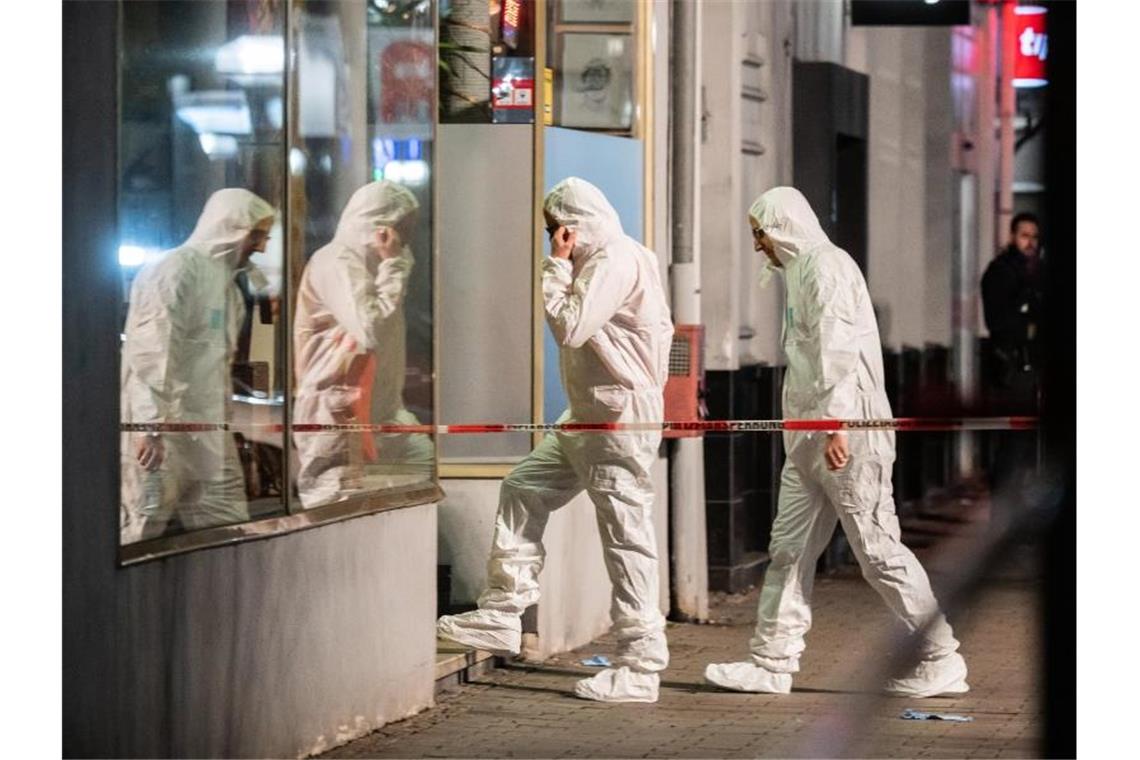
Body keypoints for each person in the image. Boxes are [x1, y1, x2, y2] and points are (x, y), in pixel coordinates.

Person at [703, 187, 968, 698]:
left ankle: (941, 655)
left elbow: (837, 350)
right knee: (789, 549)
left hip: (843, 436)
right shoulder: (802, 273)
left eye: (761, 233)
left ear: (784, 227)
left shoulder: (826, 267)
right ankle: (771, 662)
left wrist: (835, 424)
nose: (758, 244)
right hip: (810, 439)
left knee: (877, 551)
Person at [436, 177, 674, 703]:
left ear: (571, 226)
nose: (552, 237)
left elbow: (571, 326)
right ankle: (502, 613)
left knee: (627, 535)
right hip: (590, 415)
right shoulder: (620, 256)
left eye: (554, 229)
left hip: (613, 421)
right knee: (524, 487)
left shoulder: (613, 260)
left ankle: (640, 663)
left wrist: (555, 264)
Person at [120, 188, 276, 543]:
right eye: (256, 234)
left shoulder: (230, 289)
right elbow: (152, 353)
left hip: (206, 436)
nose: (262, 246)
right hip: (163, 437)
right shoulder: (175, 270)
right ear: (230, 226)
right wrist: (150, 428)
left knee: (227, 535)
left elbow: (214, 367)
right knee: (140, 535)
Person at [293, 180, 434, 509]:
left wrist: (393, 265)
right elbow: (371, 328)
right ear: (378, 227)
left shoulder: (377, 267)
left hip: (384, 415)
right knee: (339, 516)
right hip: (338, 422)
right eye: (401, 225)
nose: (406, 236)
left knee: (421, 476)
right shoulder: (335, 262)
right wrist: (393, 265)